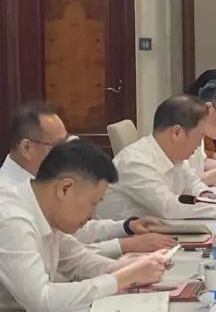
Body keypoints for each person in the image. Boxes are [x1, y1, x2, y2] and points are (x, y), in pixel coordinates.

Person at [0, 139, 169, 311]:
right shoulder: (12, 220)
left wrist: (127, 267)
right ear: (65, 188)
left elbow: (78, 260)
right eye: (93, 203)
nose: (93, 215)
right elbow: (42, 300)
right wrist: (122, 278)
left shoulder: (44, 209)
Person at [0, 102, 174, 258]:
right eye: (59, 145)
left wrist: (127, 226)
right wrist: (126, 246)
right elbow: (67, 258)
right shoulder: (8, 200)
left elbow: (76, 236)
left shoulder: (43, 181)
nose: (67, 152)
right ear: (27, 148)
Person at [97, 95, 216, 220]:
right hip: (126, 242)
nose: (199, 144)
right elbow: (170, 209)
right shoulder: (135, 162)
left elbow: (192, 182)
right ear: (177, 133)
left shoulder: (174, 156)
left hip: (156, 234)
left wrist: (206, 194)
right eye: (200, 136)